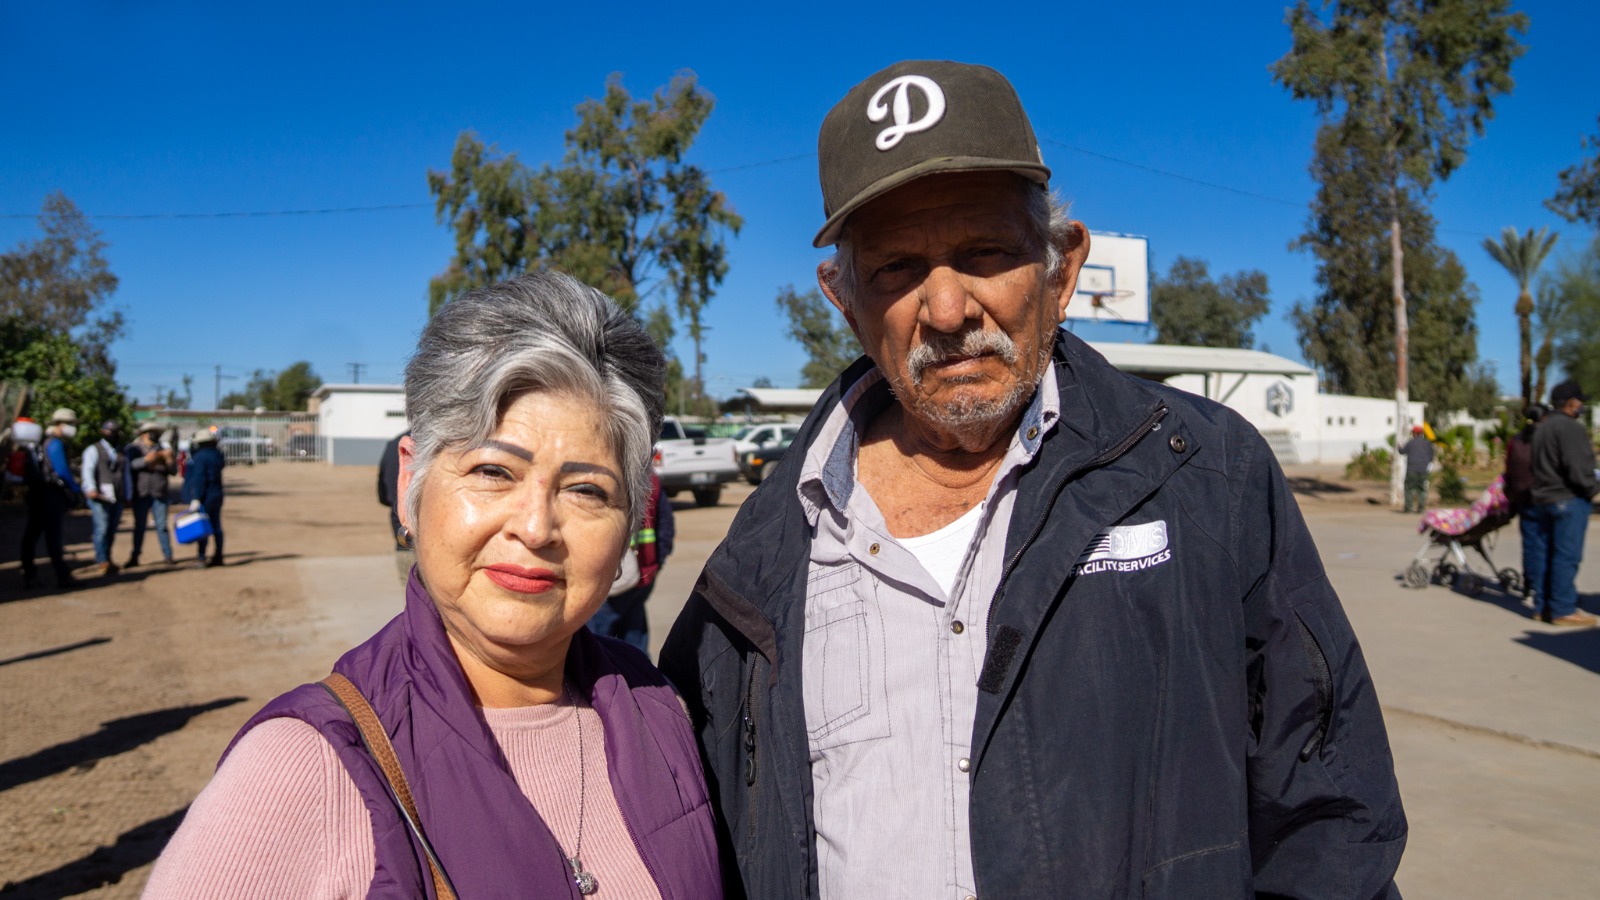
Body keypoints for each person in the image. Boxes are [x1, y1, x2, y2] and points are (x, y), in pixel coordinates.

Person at [661, 60, 1405, 899]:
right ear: (845, 299)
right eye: (898, 270)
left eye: (986, 253)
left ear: (1061, 268)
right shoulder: (760, 554)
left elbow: (1330, 816)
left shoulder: (1208, 476)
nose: (947, 311)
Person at [145, 272, 721, 898]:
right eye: (493, 470)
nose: (535, 528)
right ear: (410, 485)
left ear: (628, 525)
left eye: (586, 489)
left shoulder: (661, 711)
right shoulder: (302, 769)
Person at [1524, 380, 1599, 627]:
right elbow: (1577, 467)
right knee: (1566, 555)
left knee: (1545, 554)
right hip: (1567, 499)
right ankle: (1563, 609)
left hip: (1543, 499)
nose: (1582, 405)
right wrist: (1592, 488)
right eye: (1580, 401)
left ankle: (1542, 605)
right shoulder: (1570, 428)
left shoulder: (1542, 428)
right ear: (1570, 403)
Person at [587, 471, 674, 653]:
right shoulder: (650, 480)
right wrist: (655, 564)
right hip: (641, 576)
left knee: (598, 645)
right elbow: (666, 527)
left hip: (612, 581)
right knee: (634, 641)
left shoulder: (598, 476)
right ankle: (640, 678)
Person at [19, 408, 84, 589]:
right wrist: (76, 489)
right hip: (50, 495)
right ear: (59, 424)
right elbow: (62, 471)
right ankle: (63, 576)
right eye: (70, 424)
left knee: (31, 535)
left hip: (36, 493)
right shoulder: (55, 443)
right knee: (53, 537)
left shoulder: (41, 441)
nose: (72, 428)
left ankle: (29, 573)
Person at [1505, 405, 1546, 603]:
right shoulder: (1547, 438)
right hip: (1546, 497)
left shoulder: (1515, 440)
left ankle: (1530, 585)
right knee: (1548, 543)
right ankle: (1545, 587)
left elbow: (1509, 469)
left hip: (1522, 496)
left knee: (1530, 544)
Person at [124, 421, 176, 567]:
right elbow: (130, 466)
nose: (154, 435)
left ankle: (168, 555)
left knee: (162, 526)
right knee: (139, 526)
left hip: (159, 492)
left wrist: (169, 459)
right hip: (141, 492)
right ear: (143, 434)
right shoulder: (133, 449)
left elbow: (173, 471)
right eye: (151, 432)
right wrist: (146, 460)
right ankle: (135, 556)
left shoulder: (164, 449)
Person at [81, 419, 128, 577]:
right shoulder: (94, 450)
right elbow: (87, 470)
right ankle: (102, 560)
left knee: (112, 529)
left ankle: (107, 557)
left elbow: (125, 474)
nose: (110, 435)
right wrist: (91, 488)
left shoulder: (121, 451)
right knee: (101, 528)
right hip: (99, 496)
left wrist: (128, 493)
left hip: (116, 496)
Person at [181, 427, 226, 568]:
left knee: (203, 527)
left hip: (205, 496)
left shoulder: (200, 457)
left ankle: (201, 557)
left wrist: (196, 498)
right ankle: (218, 555)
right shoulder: (217, 455)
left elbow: (199, 479)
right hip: (216, 494)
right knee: (216, 526)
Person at [376, 428, 414, 584]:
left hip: (403, 540)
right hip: (434, 544)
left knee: (411, 598)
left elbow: (383, 495)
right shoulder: (439, 441)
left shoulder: (393, 445)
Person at [1401, 423, 1434, 513]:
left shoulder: (1411, 443)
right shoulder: (1427, 443)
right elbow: (1431, 456)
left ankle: (1408, 508)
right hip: (1423, 470)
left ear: (1414, 434)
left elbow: (1402, 451)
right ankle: (1421, 508)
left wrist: (1399, 447)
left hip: (1412, 469)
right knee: (1422, 489)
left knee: (1408, 488)